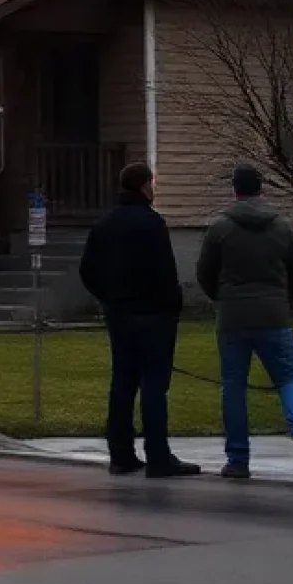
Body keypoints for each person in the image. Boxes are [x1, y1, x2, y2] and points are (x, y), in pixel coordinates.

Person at [196, 163, 293, 480]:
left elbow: (204, 272)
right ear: (261, 188)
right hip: (274, 313)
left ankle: (238, 458)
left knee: (233, 386)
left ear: (235, 190)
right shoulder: (281, 226)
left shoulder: (220, 228)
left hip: (233, 317)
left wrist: (222, 297)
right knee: (287, 378)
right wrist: (286, 297)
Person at [78, 162, 200, 479]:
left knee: (122, 382)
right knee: (154, 386)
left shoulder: (104, 224)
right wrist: (172, 305)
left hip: (119, 313)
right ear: (145, 186)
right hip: (153, 315)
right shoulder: (151, 224)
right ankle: (158, 456)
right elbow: (165, 271)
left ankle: (120, 454)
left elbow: (87, 270)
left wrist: (108, 296)